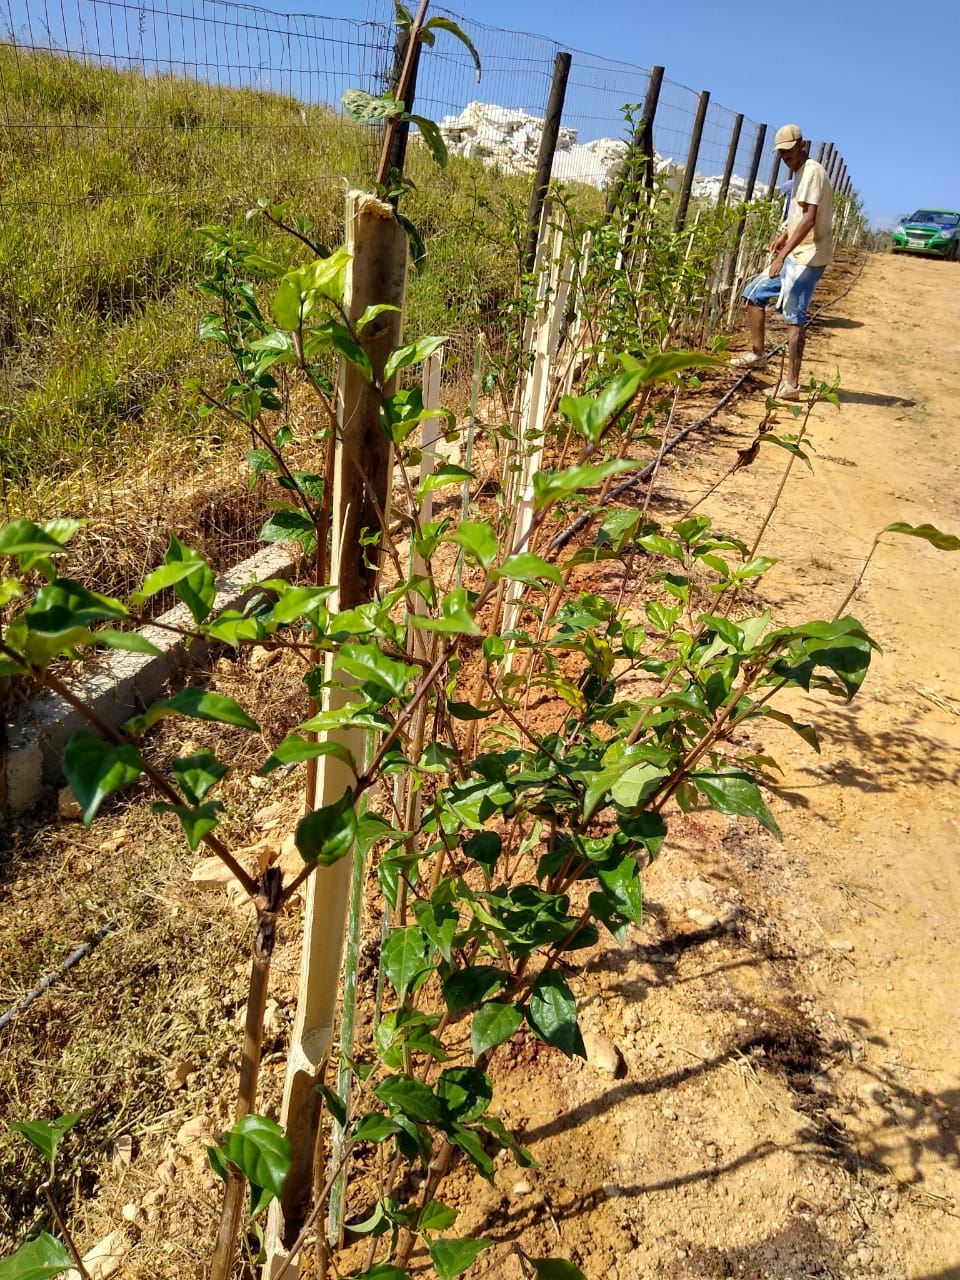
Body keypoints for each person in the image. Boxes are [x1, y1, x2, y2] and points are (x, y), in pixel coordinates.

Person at [731, 123, 834, 400]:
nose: (786, 159)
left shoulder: (812, 171)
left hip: (809, 257)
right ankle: (757, 353)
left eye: (789, 153)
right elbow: (801, 218)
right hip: (797, 251)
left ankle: (792, 384)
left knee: (794, 318)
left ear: (803, 146)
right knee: (754, 293)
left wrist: (781, 255)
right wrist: (783, 235)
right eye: (782, 155)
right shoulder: (800, 172)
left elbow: (811, 219)